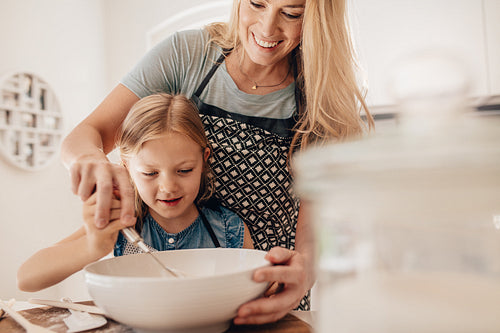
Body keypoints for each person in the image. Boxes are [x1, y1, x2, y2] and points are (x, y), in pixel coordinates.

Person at [60, 0, 374, 324]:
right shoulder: (188, 55)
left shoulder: (321, 96)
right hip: (184, 299)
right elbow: (86, 134)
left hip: (269, 300)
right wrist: (90, 159)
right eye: (256, 3)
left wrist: (306, 270)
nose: (267, 28)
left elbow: (316, 223)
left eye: (291, 13)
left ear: (318, 20)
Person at [17, 93, 253, 292]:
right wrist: (92, 247)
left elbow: (259, 285)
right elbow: (26, 278)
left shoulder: (228, 229)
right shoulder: (121, 225)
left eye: (184, 170)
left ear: (204, 160)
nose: (168, 187)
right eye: (150, 173)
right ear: (127, 168)